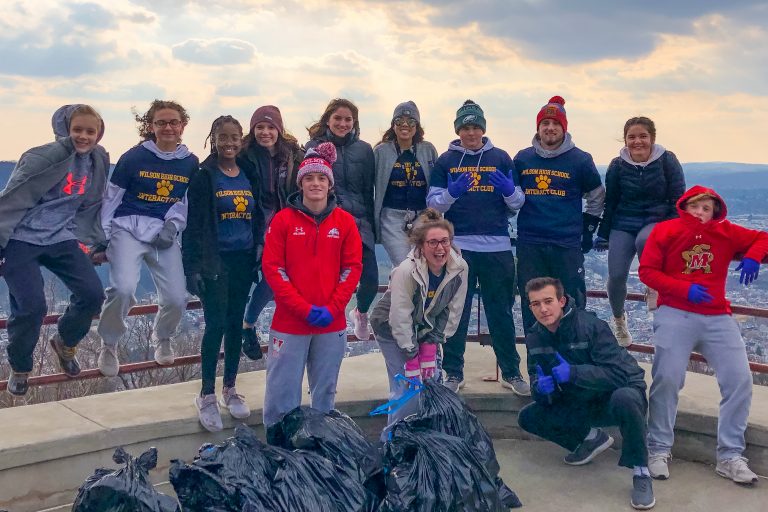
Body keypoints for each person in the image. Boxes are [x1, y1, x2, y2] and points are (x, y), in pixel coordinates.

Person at [639, 185, 767, 484]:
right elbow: (647, 271)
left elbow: (763, 237)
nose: (700, 212)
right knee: (668, 378)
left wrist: (753, 256)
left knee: (739, 379)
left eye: (706, 208)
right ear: (684, 206)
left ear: (714, 213)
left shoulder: (726, 232)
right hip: (675, 310)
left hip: (717, 315)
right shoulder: (665, 231)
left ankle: (730, 456)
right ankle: (658, 448)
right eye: (695, 206)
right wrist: (684, 289)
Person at [518, 277, 654, 510]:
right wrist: (541, 389)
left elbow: (621, 374)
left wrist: (574, 373)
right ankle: (590, 438)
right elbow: (536, 378)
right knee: (528, 417)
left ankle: (641, 472)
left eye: (548, 301)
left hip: (612, 397)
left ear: (561, 301)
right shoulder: (535, 337)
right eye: (536, 304)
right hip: (579, 399)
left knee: (627, 398)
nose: (543, 309)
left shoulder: (591, 326)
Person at [0, 105, 109, 395]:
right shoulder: (42, 157)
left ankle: (65, 342)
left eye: (90, 131)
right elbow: (12, 197)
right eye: (77, 130)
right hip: (21, 237)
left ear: (99, 133)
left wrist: (96, 239)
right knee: (32, 306)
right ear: (65, 129)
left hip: (61, 236)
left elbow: (93, 203)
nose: (83, 136)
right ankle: (20, 367)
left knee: (92, 294)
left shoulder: (97, 159)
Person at [426, 99, 529, 396]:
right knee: (455, 313)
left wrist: (508, 191)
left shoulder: (501, 157)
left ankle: (511, 372)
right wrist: (452, 193)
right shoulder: (446, 161)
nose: (471, 133)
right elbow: (433, 205)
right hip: (459, 247)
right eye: (465, 128)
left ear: (483, 129)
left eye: (475, 127)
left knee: (501, 312)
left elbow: (518, 202)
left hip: (497, 246)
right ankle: (453, 372)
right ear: (458, 130)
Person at [261, 142, 362, 433]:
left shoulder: (345, 222)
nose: (315, 183)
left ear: (330, 184)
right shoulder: (283, 221)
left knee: (325, 393)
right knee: (281, 392)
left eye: (321, 178)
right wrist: (303, 309)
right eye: (309, 178)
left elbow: (352, 268)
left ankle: (322, 444)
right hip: (289, 322)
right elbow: (274, 269)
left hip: (331, 323)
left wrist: (333, 308)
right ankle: (279, 446)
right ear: (301, 183)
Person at [96, 100, 198, 376]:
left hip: (162, 231)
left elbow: (183, 200)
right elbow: (112, 197)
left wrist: (173, 226)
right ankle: (109, 342)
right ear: (151, 126)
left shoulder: (189, 162)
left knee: (176, 297)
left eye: (173, 122)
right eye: (161, 122)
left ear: (182, 126)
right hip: (127, 227)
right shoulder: (134, 157)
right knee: (123, 288)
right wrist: (104, 236)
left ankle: (163, 337)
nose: (168, 127)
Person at [182, 115, 265, 431]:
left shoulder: (247, 173)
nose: (229, 143)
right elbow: (193, 225)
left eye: (234, 137)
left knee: (234, 324)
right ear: (213, 139)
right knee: (215, 325)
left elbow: (256, 214)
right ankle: (206, 394)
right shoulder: (205, 176)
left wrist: (258, 246)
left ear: (241, 140)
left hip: (243, 260)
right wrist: (192, 267)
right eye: (223, 137)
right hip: (214, 262)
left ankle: (230, 387)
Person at [370, 208, 468, 439]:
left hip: (423, 328)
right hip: (390, 327)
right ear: (421, 246)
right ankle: (393, 441)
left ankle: (424, 439)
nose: (440, 248)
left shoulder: (459, 268)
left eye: (444, 241)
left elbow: (453, 310)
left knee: (431, 383)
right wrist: (412, 354)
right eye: (432, 242)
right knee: (407, 388)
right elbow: (400, 316)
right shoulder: (406, 271)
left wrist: (432, 344)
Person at [513, 96, 605, 334]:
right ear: (538, 127)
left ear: (564, 128)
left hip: (566, 243)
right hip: (531, 242)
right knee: (533, 303)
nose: (550, 128)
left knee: (571, 301)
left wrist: (588, 228)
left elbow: (596, 195)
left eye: (556, 123)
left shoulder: (580, 159)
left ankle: (573, 352)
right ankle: (537, 354)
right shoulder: (523, 158)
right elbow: (512, 195)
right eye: (545, 123)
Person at [594, 116, 685, 346]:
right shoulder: (617, 165)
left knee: (645, 240)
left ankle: (652, 285)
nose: (637, 141)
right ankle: (619, 319)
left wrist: (674, 228)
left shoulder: (667, 160)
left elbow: (678, 199)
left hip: (657, 220)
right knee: (616, 275)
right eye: (632, 137)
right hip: (624, 221)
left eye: (643, 136)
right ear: (625, 140)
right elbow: (611, 202)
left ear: (652, 138)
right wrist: (603, 233)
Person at [306, 98, 376, 341]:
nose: (343, 124)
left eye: (348, 119)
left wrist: (372, 226)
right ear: (328, 120)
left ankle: (361, 312)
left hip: (360, 221)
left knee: (370, 278)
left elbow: (368, 189)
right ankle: (327, 331)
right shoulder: (315, 146)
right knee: (330, 282)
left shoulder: (364, 150)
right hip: (330, 220)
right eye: (337, 118)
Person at [239, 105, 304, 359]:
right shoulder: (244, 156)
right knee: (267, 275)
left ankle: (249, 325)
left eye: (270, 127)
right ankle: (246, 326)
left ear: (279, 129)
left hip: (286, 222)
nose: (265, 132)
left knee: (275, 277)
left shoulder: (292, 155)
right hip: (253, 223)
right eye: (260, 127)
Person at [374, 101, 438, 266]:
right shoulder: (381, 152)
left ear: (417, 126)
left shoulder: (428, 150)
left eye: (411, 121)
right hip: (391, 217)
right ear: (393, 125)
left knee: (422, 264)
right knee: (404, 264)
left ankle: (398, 284)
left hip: (422, 215)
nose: (405, 125)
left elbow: (436, 183)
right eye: (399, 120)